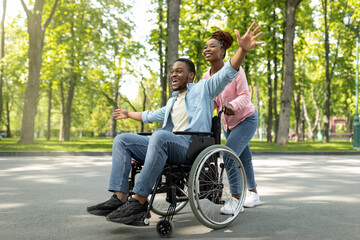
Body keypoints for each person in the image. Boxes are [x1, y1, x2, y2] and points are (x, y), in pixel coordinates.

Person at [87, 23, 264, 225]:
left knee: (160, 136)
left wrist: (242, 49)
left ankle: (138, 201)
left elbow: (228, 72)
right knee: (122, 140)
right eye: (172, 71)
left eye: (179, 71)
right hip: (166, 143)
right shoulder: (173, 101)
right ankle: (119, 197)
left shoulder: (204, 87)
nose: (173, 74)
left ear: (190, 77)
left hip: (189, 146)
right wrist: (128, 113)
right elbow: (151, 115)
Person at [202, 29, 261, 214]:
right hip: (228, 124)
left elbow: (245, 96)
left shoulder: (236, 69)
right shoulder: (206, 77)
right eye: (205, 46)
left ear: (223, 51)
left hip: (246, 119)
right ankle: (254, 194)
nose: (207, 49)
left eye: (212, 46)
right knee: (244, 158)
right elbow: (209, 102)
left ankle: (236, 200)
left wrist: (232, 105)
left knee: (228, 156)